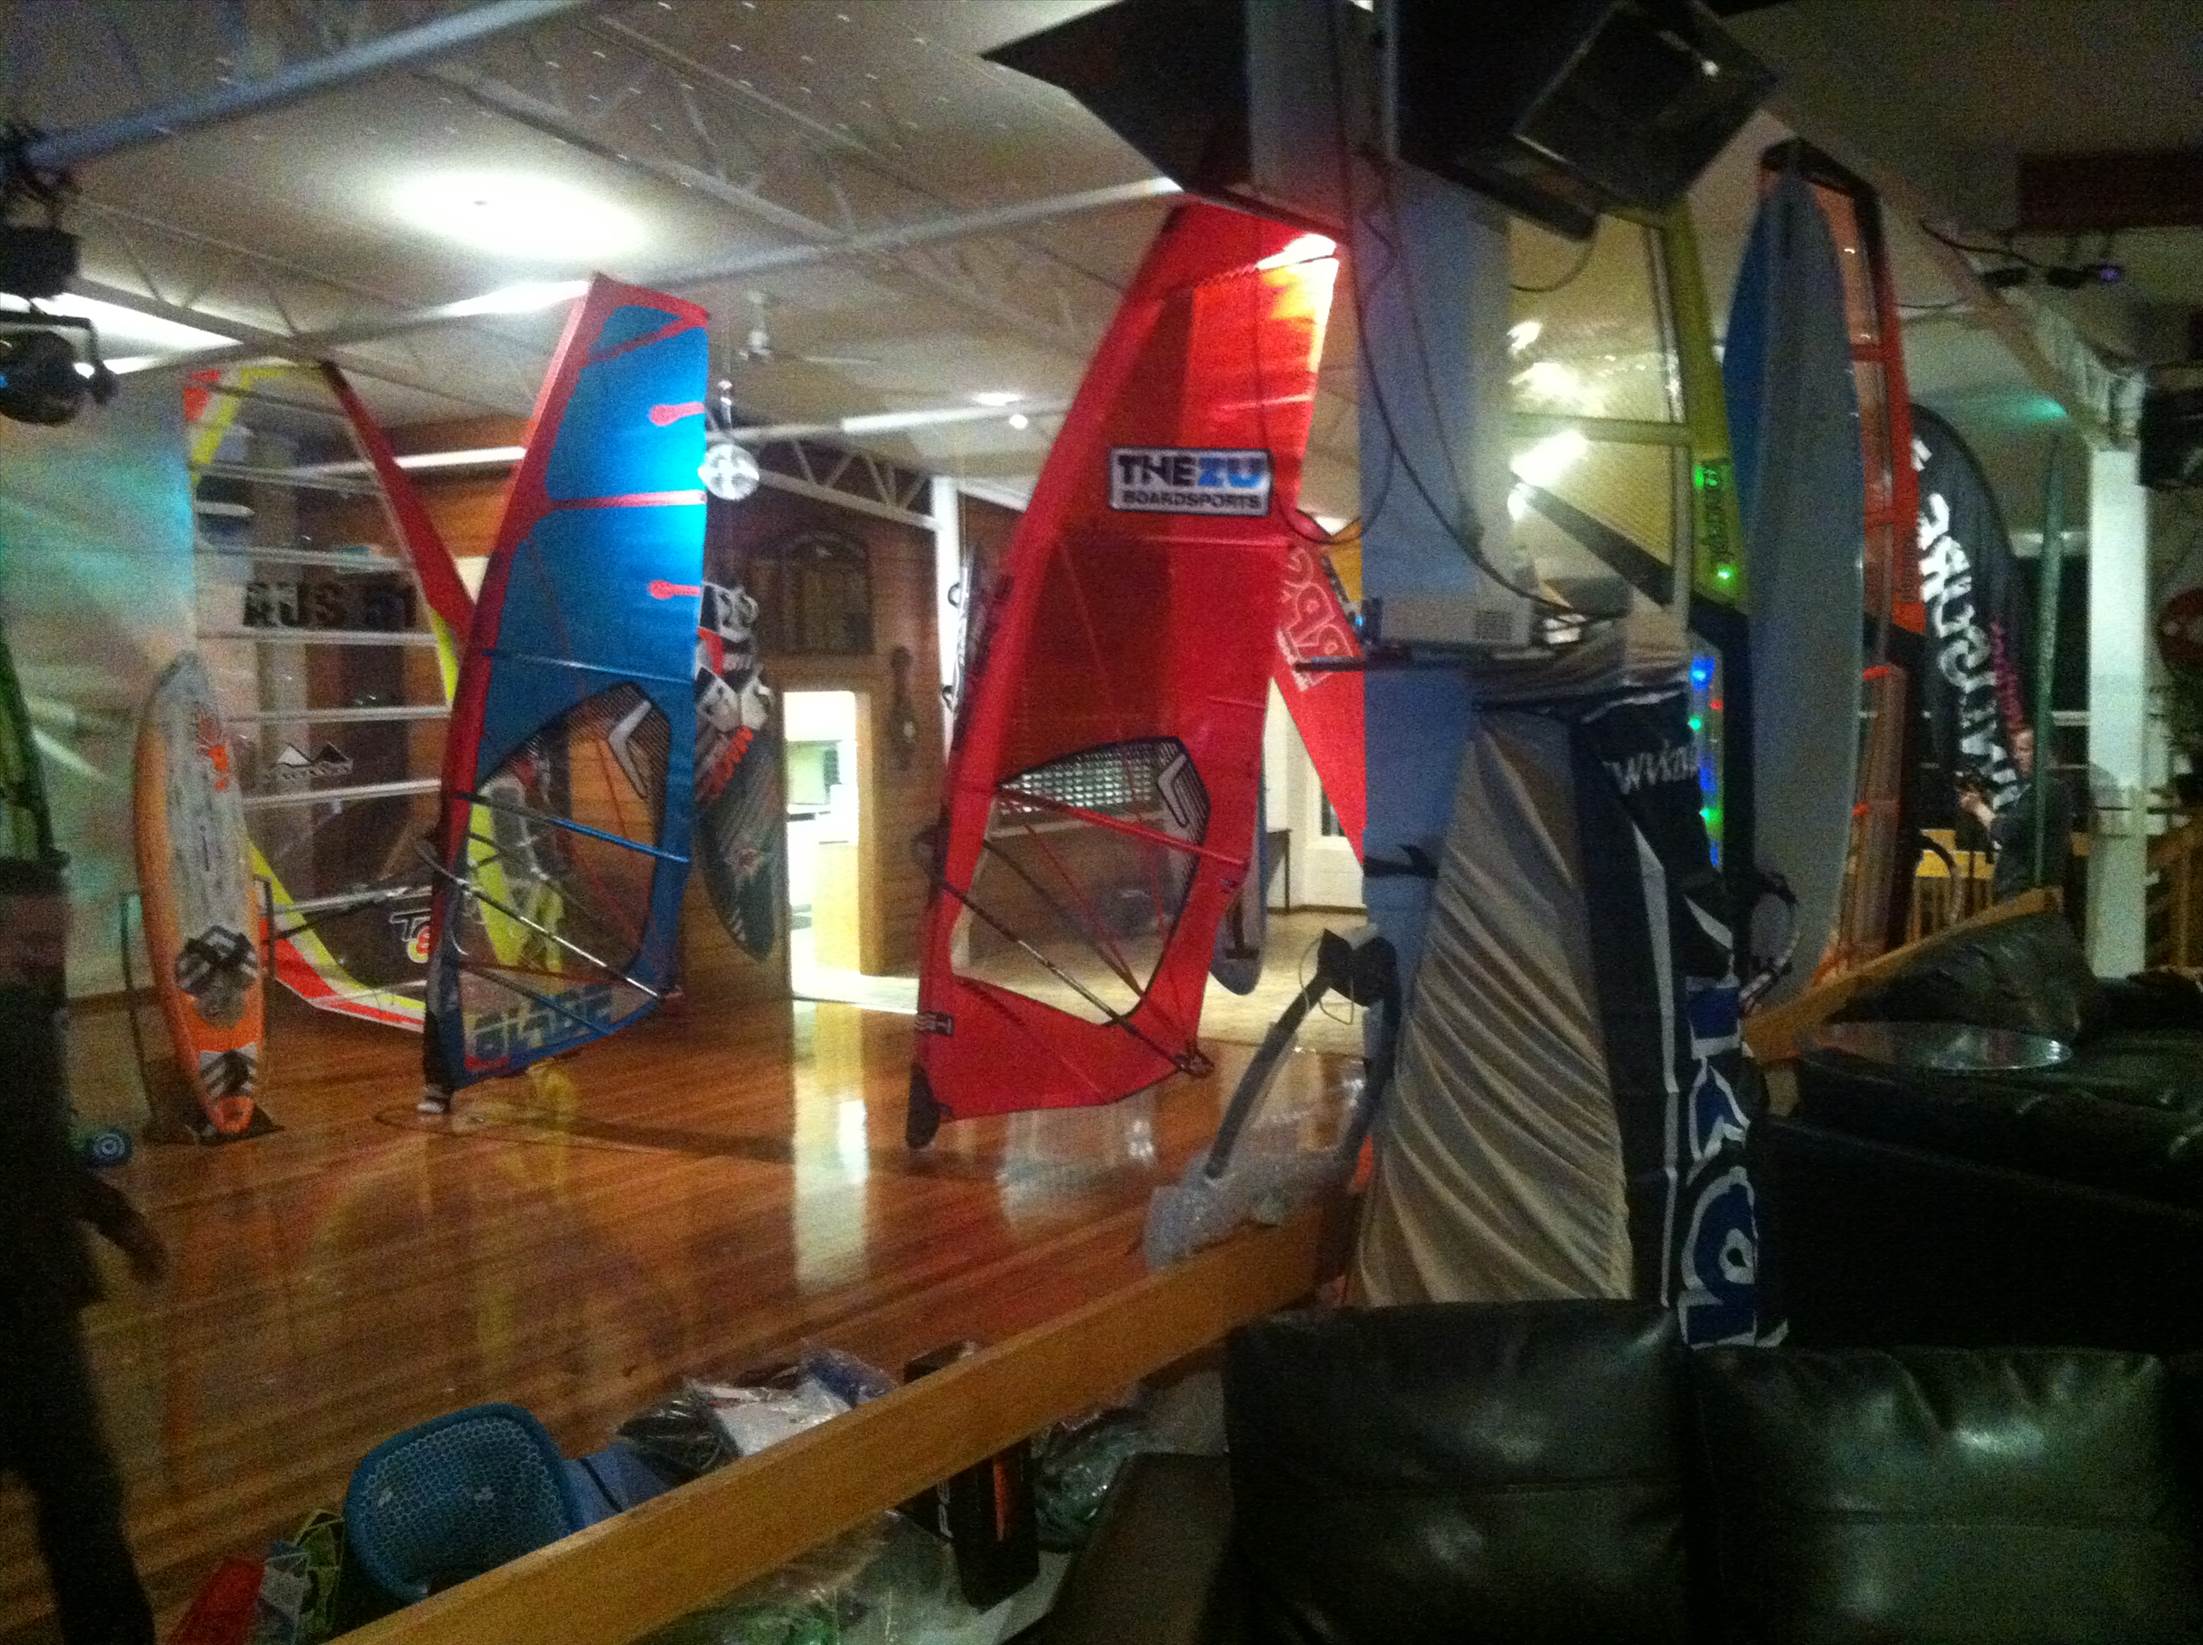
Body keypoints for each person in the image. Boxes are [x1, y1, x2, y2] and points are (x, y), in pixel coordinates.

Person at [0, 857, 163, 1645]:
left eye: (53, 943)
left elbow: (35, 1152)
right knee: (81, 1495)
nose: (44, 962)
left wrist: (115, 1217)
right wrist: (118, 1219)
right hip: (22, 1302)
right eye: (28, 942)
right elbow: (34, 1155)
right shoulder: (16, 1024)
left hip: (28, 1290)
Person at [1958, 726, 2074, 903]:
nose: (2017, 757)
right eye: (2016, 750)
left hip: (2027, 894)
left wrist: (1978, 808)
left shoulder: (2047, 790)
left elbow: (2008, 832)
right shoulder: (2048, 789)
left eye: (2024, 750)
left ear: (2045, 752)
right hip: (2026, 892)